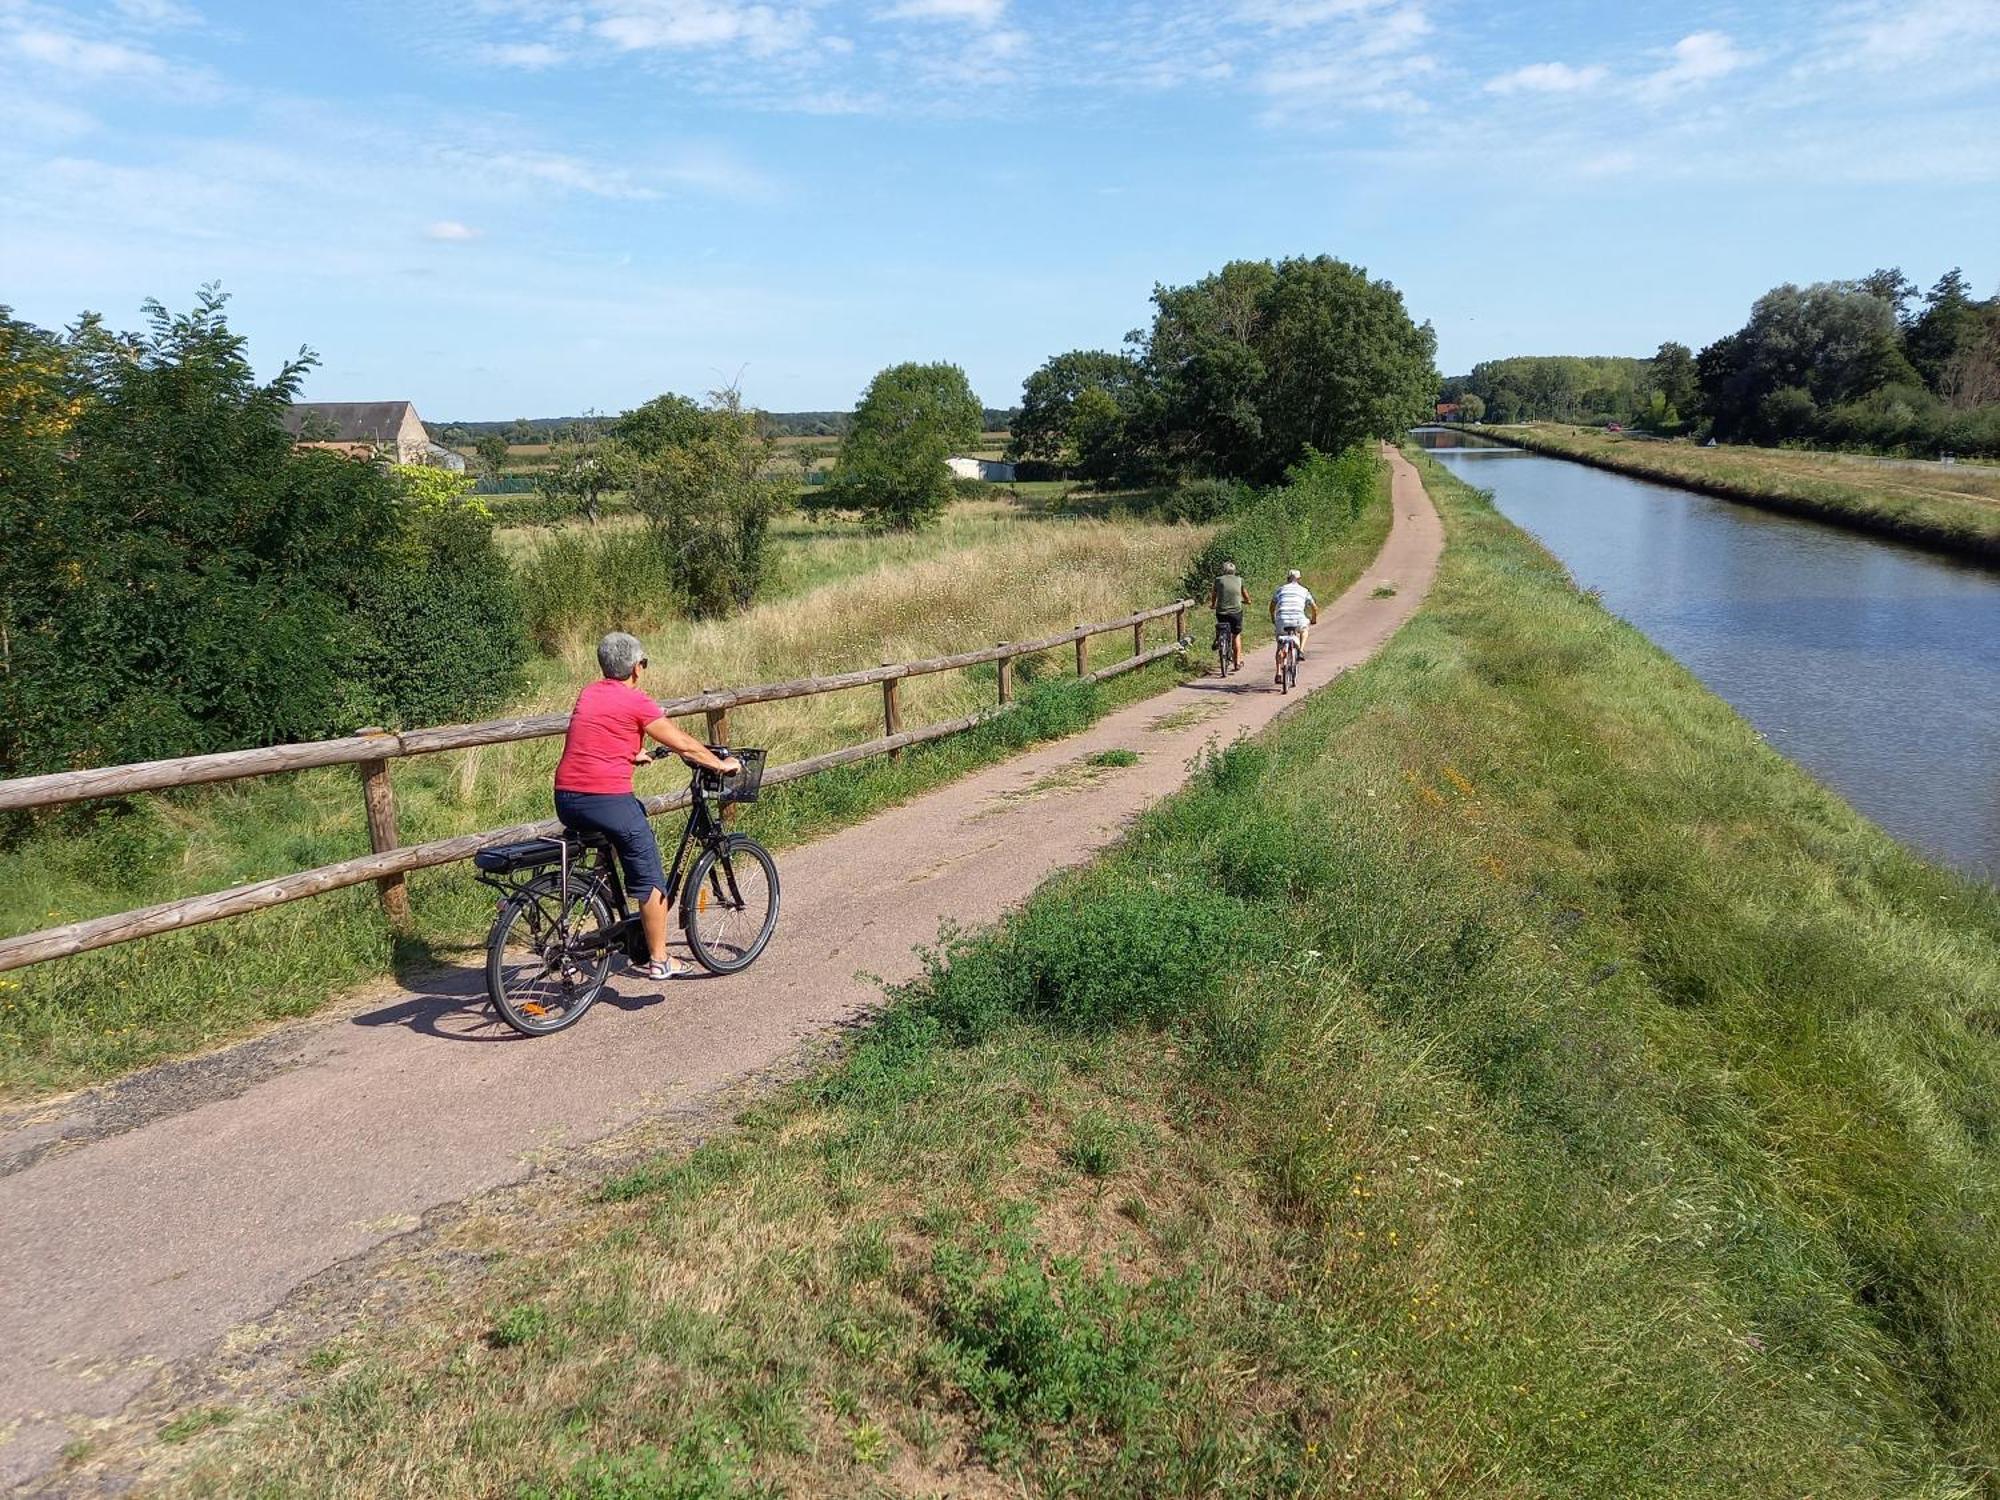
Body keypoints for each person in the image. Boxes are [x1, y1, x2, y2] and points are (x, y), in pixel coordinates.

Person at [553, 631, 738, 983]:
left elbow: (599, 733)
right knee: (650, 874)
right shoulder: (636, 701)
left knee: (628, 820)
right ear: (637, 667)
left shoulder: (589, 693)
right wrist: (718, 763)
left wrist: (630, 752)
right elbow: (681, 741)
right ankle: (660, 959)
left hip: (566, 798)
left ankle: (601, 892)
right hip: (603, 799)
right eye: (644, 663)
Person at [1269, 569, 1317, 684]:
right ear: (1299, 579)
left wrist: (1273, 618)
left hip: (1282, 619)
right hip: (1298, 619)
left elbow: (1272, 606)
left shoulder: (1280, 589)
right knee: (1304, 629)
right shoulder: (1304, 590)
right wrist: (1314, 619)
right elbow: (1314, 607)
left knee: (1280, 646)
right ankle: (1300, 649)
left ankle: (1278, 673)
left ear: (1287, 579)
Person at [1209, 560, 1247, 672]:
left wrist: (1212, 605)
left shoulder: (1218, 580)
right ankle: (1237, 662)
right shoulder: (1240, 580)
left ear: (1223, 571)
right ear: (1234, 571)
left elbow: (1214, 594)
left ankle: (1218, 638)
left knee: (1221, 624)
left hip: (1221, 612)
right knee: (1236, 635)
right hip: (1236, 612)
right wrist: (1247, 601)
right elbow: (1245, 594)